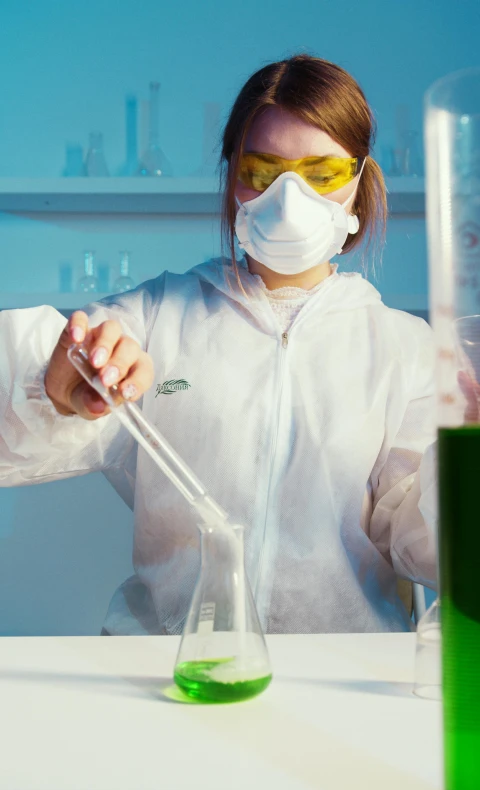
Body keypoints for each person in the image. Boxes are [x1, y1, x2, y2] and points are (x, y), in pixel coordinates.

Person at [0, 54, 437, 635]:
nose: (290, 197)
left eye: (321, 173)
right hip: (172, 673)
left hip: (338, 681)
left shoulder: (403, 349)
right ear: (233, 180)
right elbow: (18, 426)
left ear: (359, 182)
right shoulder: (155, 319)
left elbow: (429, 544)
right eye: (263, 170)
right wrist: (53, 393)